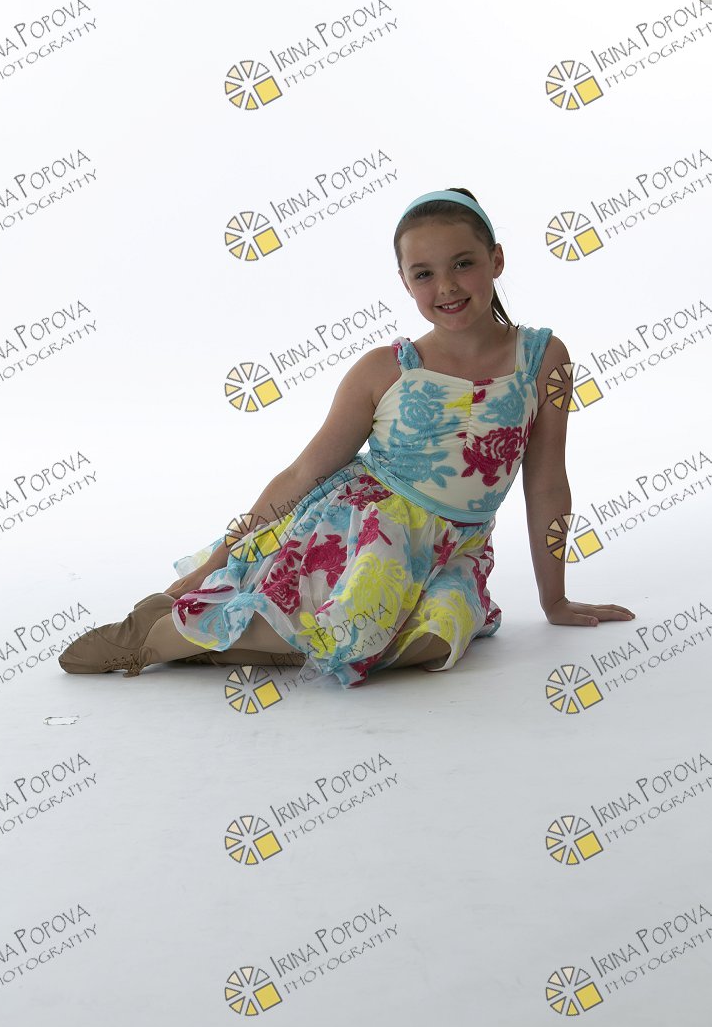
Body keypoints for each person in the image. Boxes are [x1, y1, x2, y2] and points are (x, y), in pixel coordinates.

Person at [59, 186, 635, 688]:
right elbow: (303, 472)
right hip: (368, 529)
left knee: (439, 641)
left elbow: (546, 480)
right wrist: (212, 562)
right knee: (358, 633)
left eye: (463, 264)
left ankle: (239, 640)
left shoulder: (542, 357)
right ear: (405, 282)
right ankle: (160, 635)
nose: (446, 286)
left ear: (497, 260)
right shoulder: (386, 370)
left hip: (453, 545)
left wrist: (554, 599)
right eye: (424, 274)